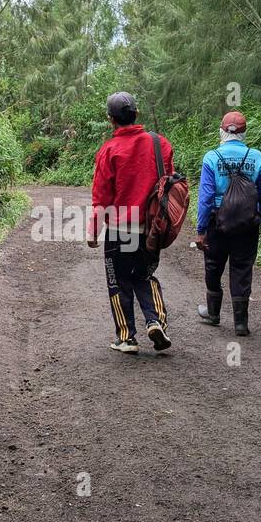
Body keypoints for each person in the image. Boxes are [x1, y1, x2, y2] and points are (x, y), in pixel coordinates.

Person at [87, 91, 173, 353]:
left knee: (118, 281)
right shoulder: (161, 144)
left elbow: (101, 196)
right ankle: (155, 320)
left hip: (118, 230)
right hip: (150, 229)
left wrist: (93, 230)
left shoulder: (109, 150)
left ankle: (126, 337)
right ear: (136, 115)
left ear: (111, 120)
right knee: (145, 275)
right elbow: (167, 185)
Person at [194, 111, 261, 336]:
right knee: (242, 267)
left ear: (221, 131)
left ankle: (213, 313)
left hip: (217, 221)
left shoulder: (212, 157)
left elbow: (206, 197)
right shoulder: (255, 156)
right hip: (247, 224)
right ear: (244, 133)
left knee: (213, 264)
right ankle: (240, 322)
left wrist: (201, 230)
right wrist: (258, 214)